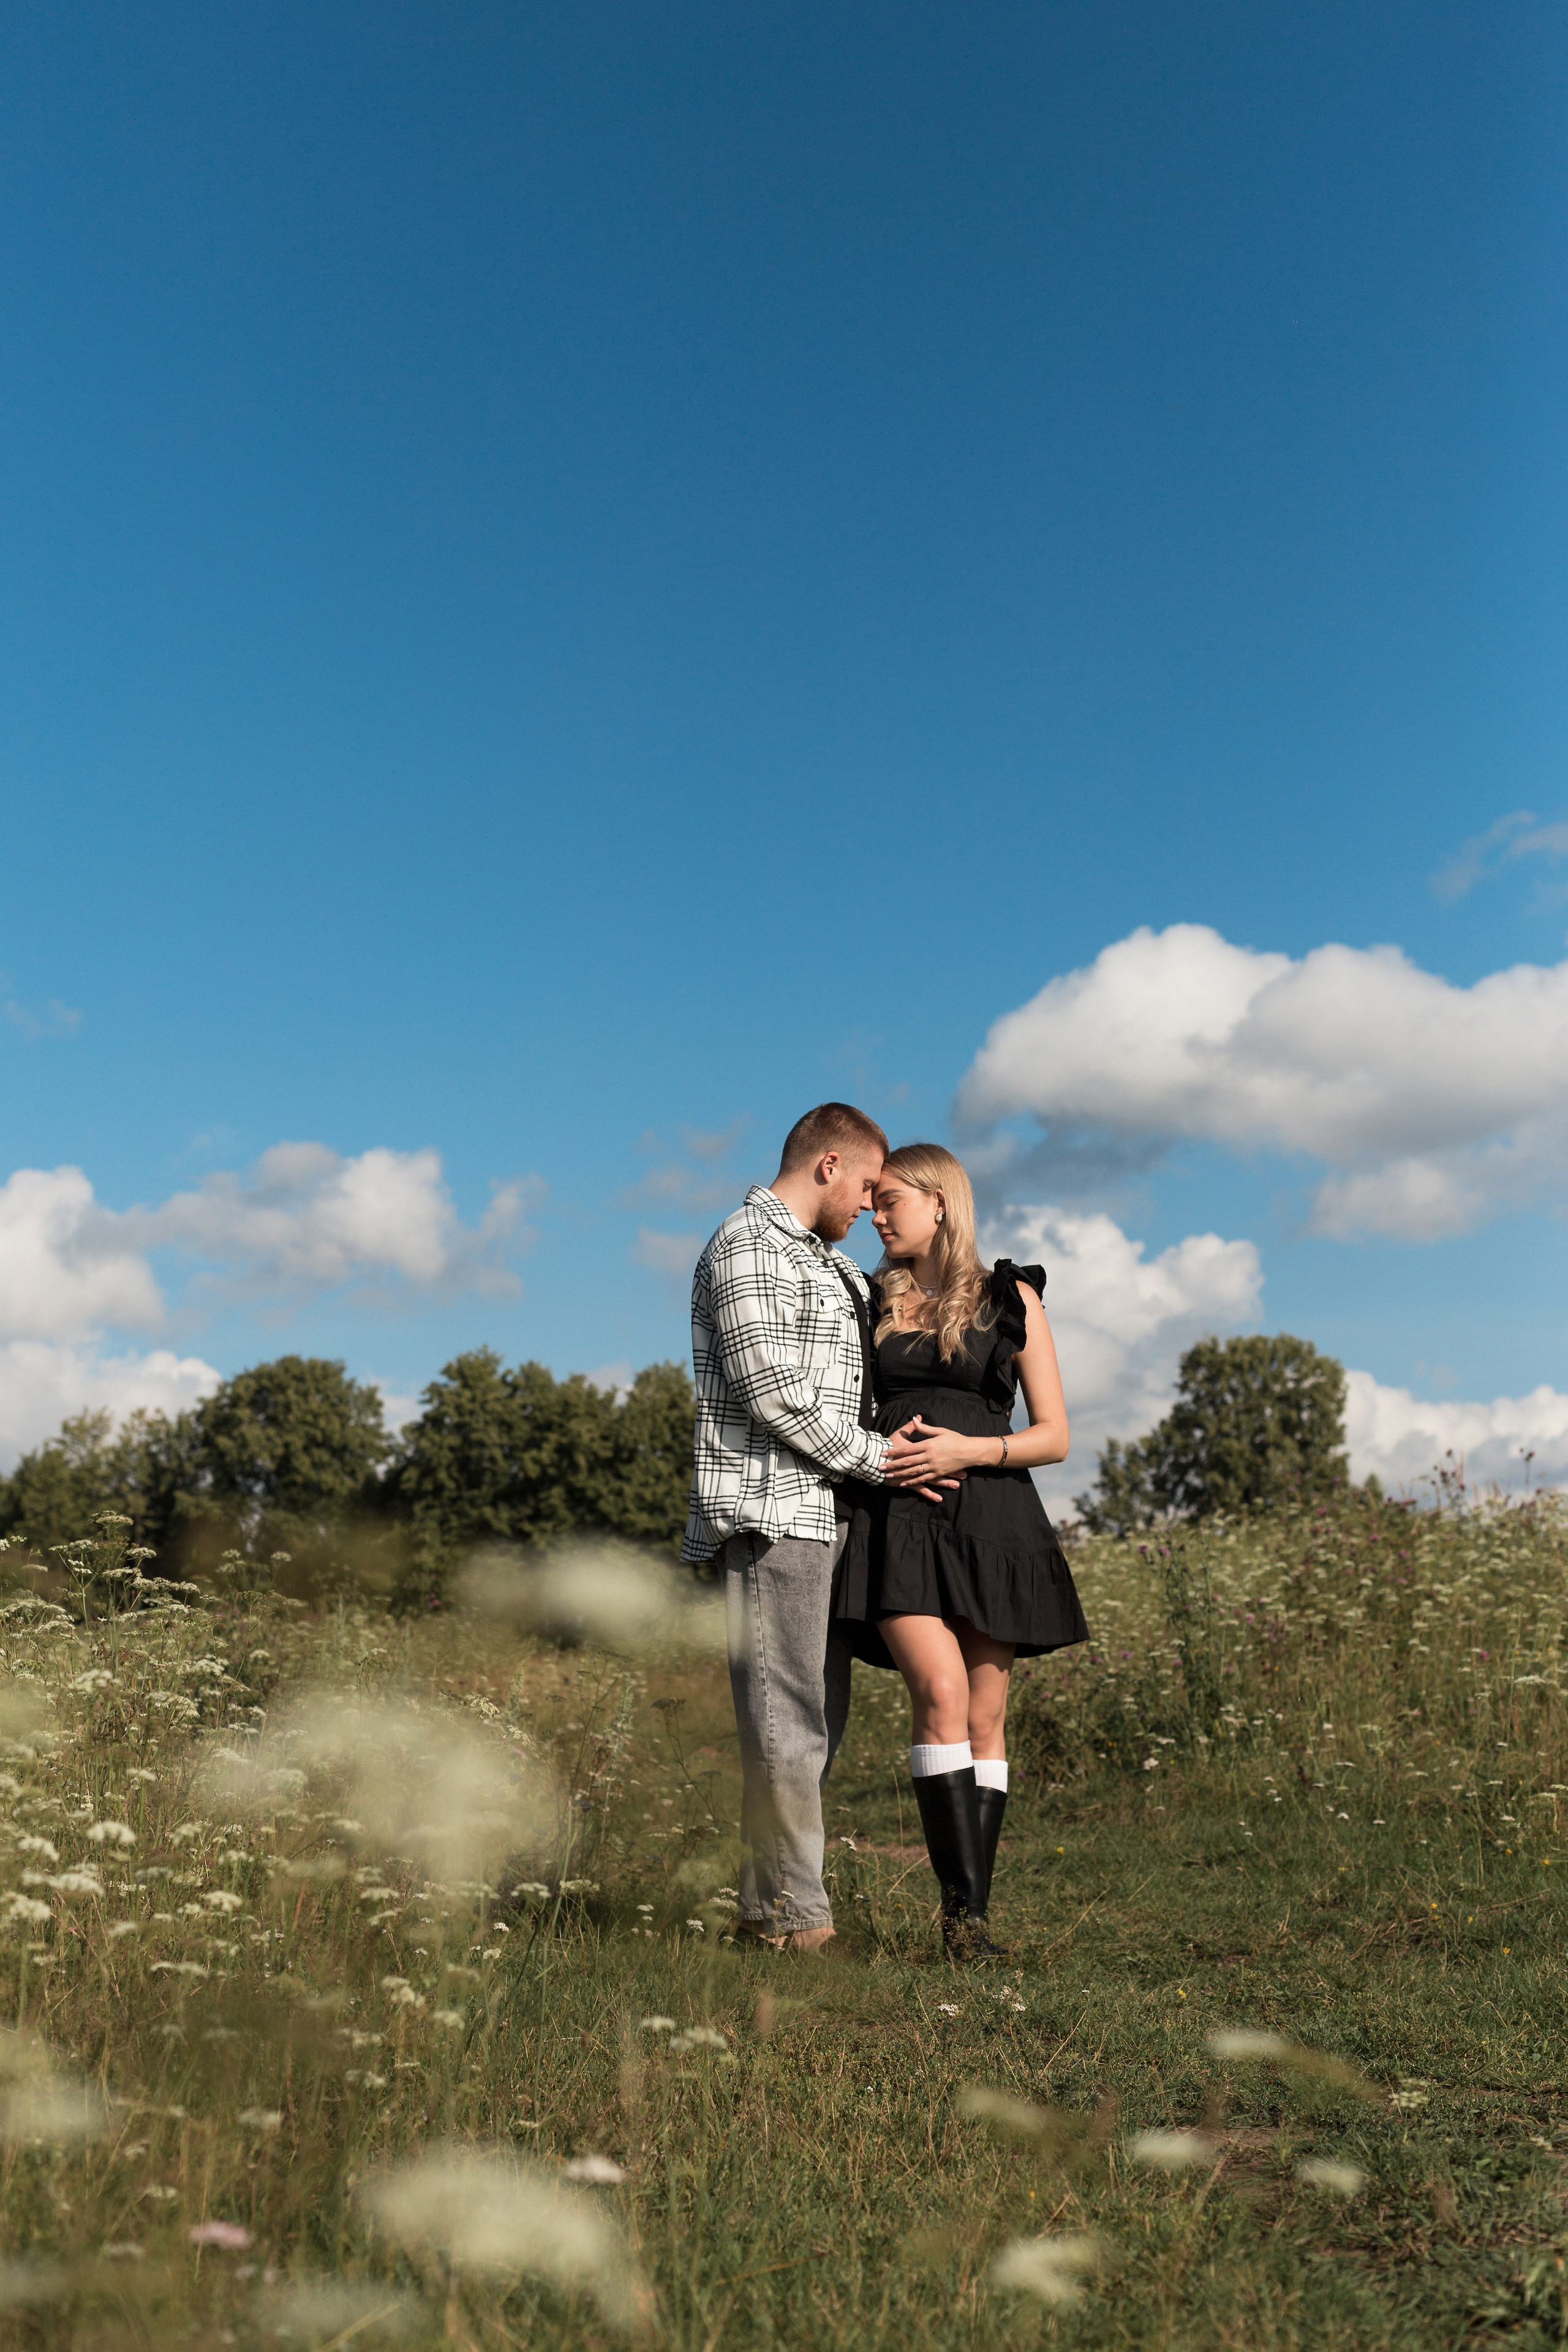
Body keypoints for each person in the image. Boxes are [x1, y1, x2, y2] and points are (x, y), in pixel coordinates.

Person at [682, 1104, 952, 1954]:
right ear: (829, 1164)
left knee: (810, 1723)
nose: (870, 1207)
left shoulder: (827, 1264)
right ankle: (802, 1922)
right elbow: (773, 1394)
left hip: (829, 1514)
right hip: (773, 1514)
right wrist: (883, 1459)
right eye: (868, 1187)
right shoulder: (749, 1246)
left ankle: (763, 1914)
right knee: (787, 1723)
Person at [837, 1142, 1088, 1960]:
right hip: (897, 1520)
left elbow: (1054, 1435)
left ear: (940, 1201)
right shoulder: (867, 1298)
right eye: (872, 1203)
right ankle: (965, 1919)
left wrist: (967, 1451)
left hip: (992, 1519)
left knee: (984, 1719)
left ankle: (966, 1925)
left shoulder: (1011, 1297)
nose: (876, 1217)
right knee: (941, 1693)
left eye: (890, 1201)